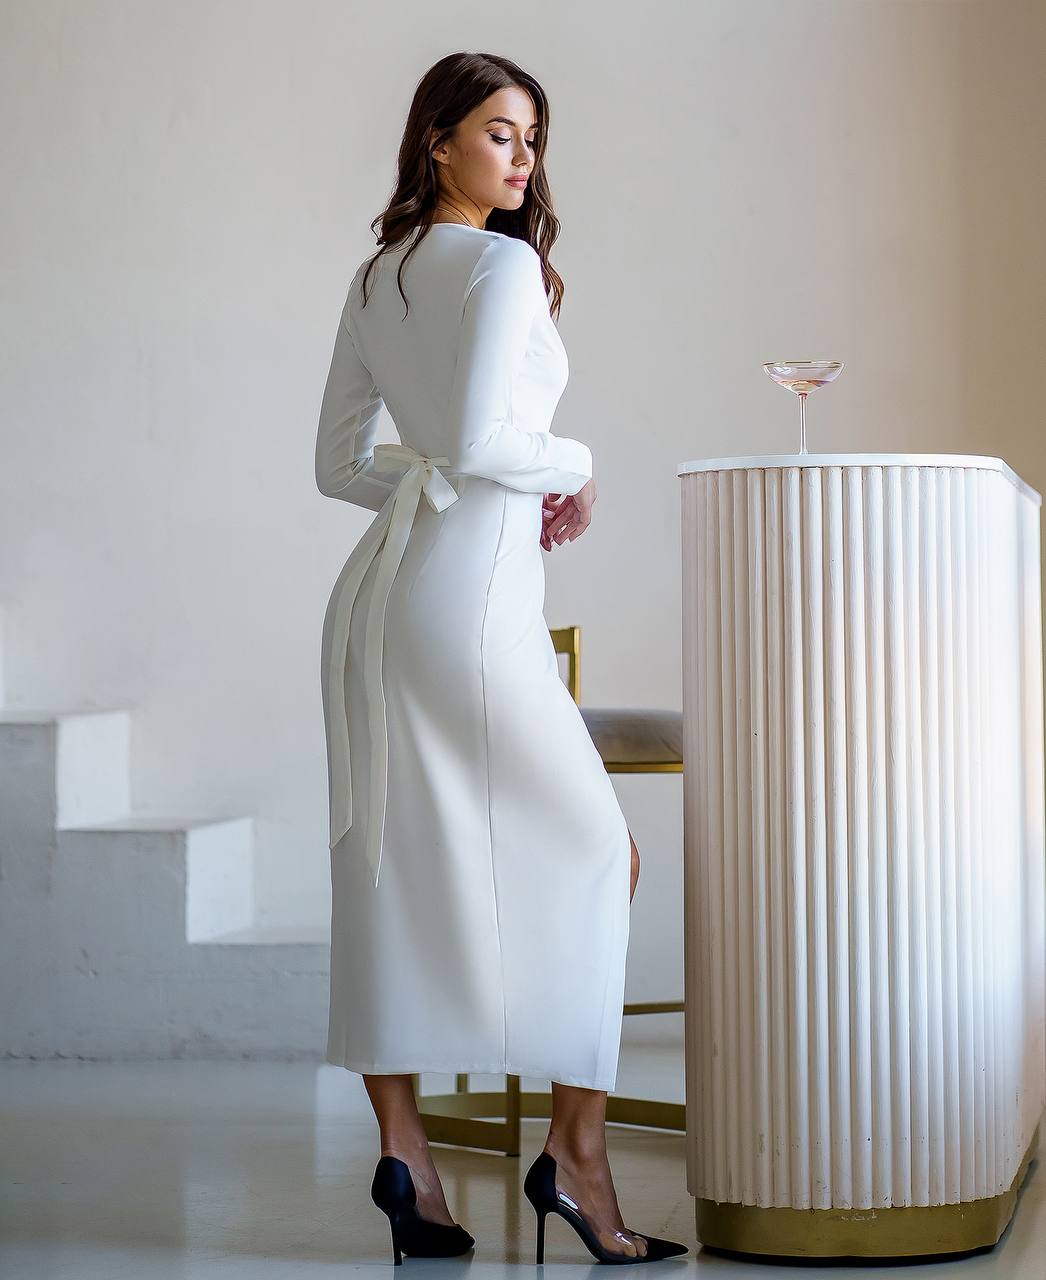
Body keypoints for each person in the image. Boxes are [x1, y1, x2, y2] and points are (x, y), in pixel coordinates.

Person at [314, 50, 687, 1266]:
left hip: (381, 596)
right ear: (438, 140)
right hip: (467, 604)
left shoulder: (377, 273)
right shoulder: (502, 265)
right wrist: (573, 465)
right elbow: (484, 438)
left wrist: (433, 475)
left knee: (386, 854)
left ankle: (407, 1156)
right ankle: (575, 1155)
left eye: (531, 138)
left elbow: (339, 464)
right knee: (597, 851)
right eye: (497, 133)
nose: (521, 158)